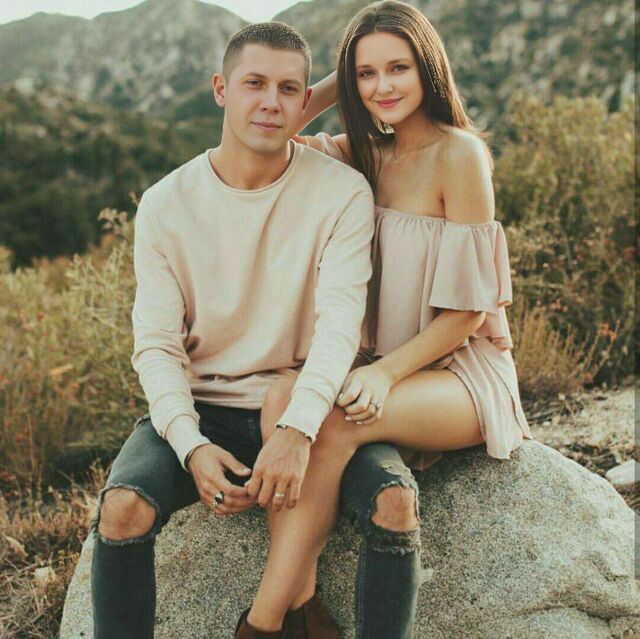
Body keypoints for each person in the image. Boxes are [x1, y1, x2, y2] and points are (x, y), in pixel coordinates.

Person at [89, 21, 379, 639]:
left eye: (288, 89)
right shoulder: (165, 204)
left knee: (393, 503)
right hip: (205, 406)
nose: (270, 102)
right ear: (221, 89)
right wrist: (190, 445)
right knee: (122, 509)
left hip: (302, 404)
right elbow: (157, 346)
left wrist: (299, 428)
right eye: (254, 84)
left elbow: (340, 327)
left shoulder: (342, 193)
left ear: (305, 101)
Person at [256, 1, 535, 637]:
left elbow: (466, 314)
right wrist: (344, 70)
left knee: (327, 420)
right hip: (383, 366)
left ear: (428, 68)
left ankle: (264, 623)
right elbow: (278, 128)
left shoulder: (459, 155)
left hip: (460, 374)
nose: (383, 86)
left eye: (398, 68)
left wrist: (383, 375)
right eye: (367, 73)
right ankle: (305, 604)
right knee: (281, 398)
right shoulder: (365, 153)